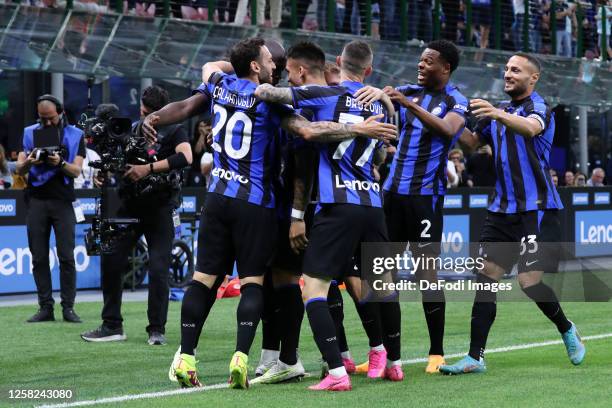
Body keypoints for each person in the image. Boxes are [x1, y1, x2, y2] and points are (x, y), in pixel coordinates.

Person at [172, 37, 396, 389]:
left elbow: (213, 73)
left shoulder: (233, 86)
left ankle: (309, 359)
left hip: (269, 203)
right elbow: (316, 136)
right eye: (273, 63)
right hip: (293, 204)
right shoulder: (315, 99)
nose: (280, 71)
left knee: (313, 282)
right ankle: (288, 358)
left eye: (286, 67)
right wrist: (378, 101)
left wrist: (295, 216)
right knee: (315, 281)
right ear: (258, 66)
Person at [255, 40, 403, 391]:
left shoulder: (322, 95)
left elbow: (267, 94)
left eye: (292, 72)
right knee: (383, 287)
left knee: (314, 290)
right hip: (373, 206)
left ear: (338, 61)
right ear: (368, 68)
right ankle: (394, 363)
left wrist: (262, 86)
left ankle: (337, 371)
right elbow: (380, 159)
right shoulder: (379, 105)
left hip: (338, 206)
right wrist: (381, 95)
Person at [439, 52, 585, 375]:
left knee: (529, 281)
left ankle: (566, 328)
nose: (507, 74)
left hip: (538, 210)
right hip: (501, 210)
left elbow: (531, 129)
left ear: (533, 79)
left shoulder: (539, 108)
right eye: (506, 69)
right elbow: (472, 143)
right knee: (486, 277)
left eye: (515, 70)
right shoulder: (499, 113)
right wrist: (451, 116)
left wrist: (495, 113)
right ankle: (475, 357)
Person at [356, 39, 469, 374]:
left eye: (428, 61)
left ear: (445, 68)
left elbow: (449, 129)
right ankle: (383, 353)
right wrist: (379, 94)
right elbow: (382, 95)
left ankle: (436, 352)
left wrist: (406, 102)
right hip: (391, 195)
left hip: (425, 200)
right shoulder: (406, 91)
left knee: (426, 274)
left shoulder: (455, 100)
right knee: (378, 272)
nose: (421, 65)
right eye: (420, 60)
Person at [80, 87, 192, 346]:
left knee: (158, 268)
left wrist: (148, 168)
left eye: (150, 114)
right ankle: (112, 325)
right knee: (111, 259)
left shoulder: (175, 130)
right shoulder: (127, 129)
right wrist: (104, 173)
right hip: (128, 204)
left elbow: (186, 156)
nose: (144, 118)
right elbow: (116, 160)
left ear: (162, 113)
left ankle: (156, 329)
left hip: (161, 207)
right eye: (142, 112)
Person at [15, 94, 85, 323]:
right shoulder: (29, 133)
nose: (46, 123)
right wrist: (29, 162)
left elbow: (77, 171)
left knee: (66, 257)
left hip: (63, 201)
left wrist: (61, 163)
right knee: (38, 257)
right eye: (42, 118)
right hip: (36, 200)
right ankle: (45, 307)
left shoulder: (76, 135)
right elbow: (19, 169)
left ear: (61, 113)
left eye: (50, 118)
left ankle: (69, 308)